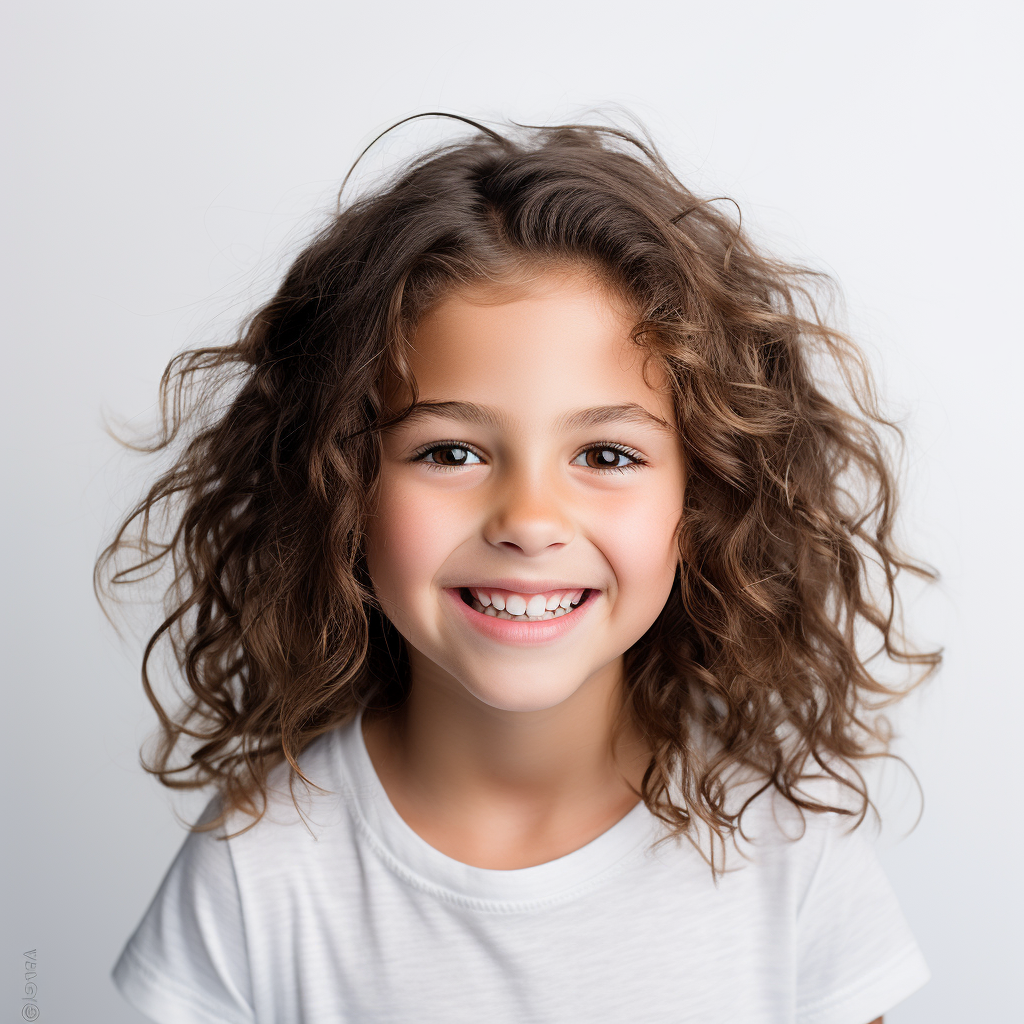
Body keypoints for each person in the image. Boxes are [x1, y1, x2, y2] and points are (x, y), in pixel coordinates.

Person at [100, 114, 940, 1023]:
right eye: (452, 452)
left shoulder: (793, 856)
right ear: (340, 485)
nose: (531, 522)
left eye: (608, 456)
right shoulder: (256, 874)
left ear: (703, 504)